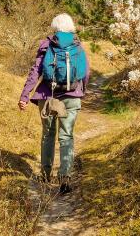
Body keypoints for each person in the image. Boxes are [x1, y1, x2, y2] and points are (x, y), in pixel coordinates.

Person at [18, 13, 90, 194]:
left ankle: (45, 174)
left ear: (54, 27)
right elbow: (86, 73)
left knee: (48, 135)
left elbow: (35, 72)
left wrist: (25, 95)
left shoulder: (46, 45)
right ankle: (65, 178)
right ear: (71, 26)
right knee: (66, 136)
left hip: (47, 96)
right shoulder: (78, 46)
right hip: (71, 95)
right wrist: (82, 91)